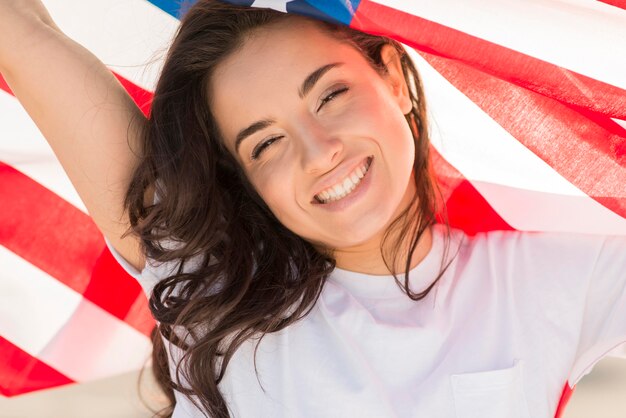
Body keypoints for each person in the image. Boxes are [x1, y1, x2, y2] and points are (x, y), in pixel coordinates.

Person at [1, 1, 625, 417]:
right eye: (266, 142)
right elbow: (21, 35)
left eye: (331, 95)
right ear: (244, 180)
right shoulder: (213, 295)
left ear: (395, 79)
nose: (320, 151)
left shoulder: (548, 270)